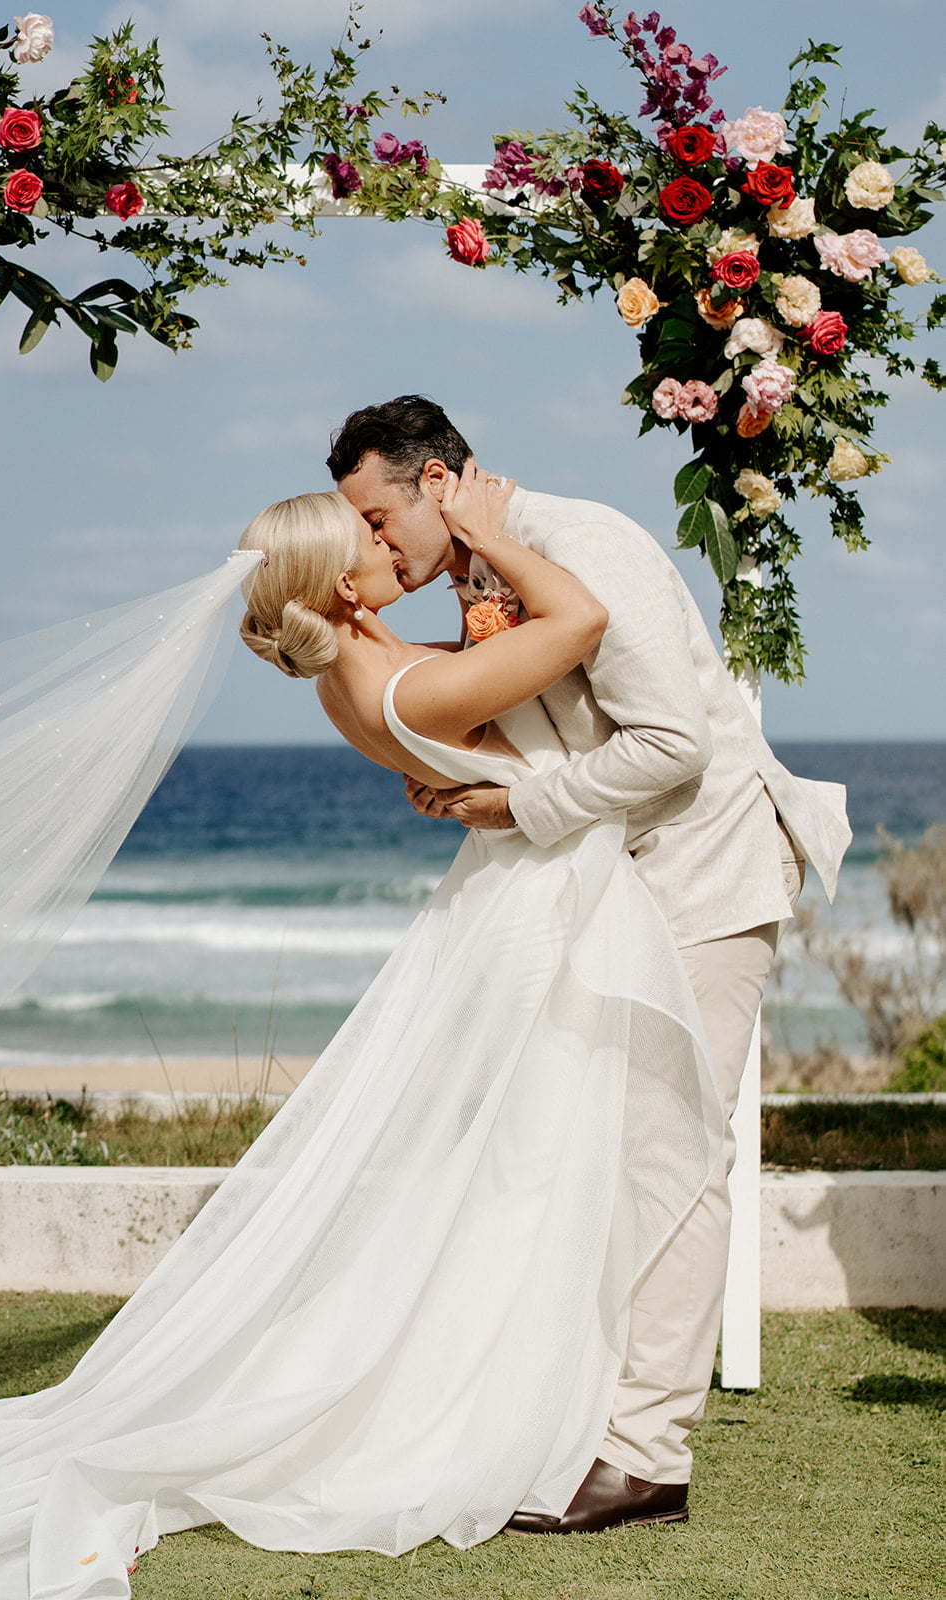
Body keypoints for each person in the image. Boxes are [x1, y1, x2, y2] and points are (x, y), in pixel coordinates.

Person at [0, 481, 721, 1597]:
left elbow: (495, 672)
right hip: (538, 909)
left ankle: (548, 1384)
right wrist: (486, 538)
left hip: (513, 899)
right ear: (341, 584)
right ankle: (505, 1399)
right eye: (366, 537)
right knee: (535, 1165)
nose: (385, 542)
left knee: (525, 1162)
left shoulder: (355, 677)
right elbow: (582, 621)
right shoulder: (409, 683)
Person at [327, 394, 851, 1534]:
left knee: (674, 1159)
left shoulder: (582, 541)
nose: (371, 544)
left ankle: (647, 1456)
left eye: (375, 518)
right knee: (588, 1152)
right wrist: (462, 767)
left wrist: (519, 804)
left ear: (438, 482)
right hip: (612, 889)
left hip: (700, 879)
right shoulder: (477, 572)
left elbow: (672, 745)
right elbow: (558, 713)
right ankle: (578, 1410)